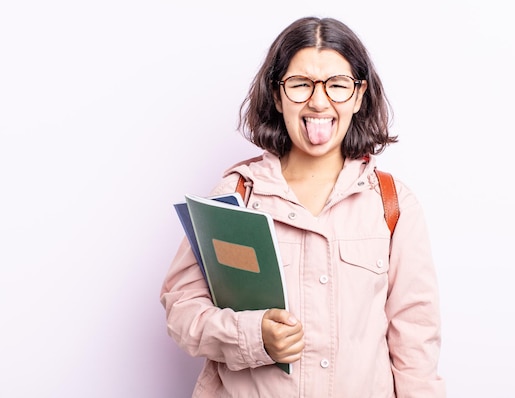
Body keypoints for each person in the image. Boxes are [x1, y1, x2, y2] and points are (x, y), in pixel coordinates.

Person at [160, 16, 445, 397]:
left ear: (359, 95)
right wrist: (253, 336)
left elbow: (416, 345)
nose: (318, 100)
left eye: (337, 85)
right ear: (278, 96)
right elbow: (182, 311)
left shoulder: (392, 204)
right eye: (300, 85)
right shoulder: (237, 197)